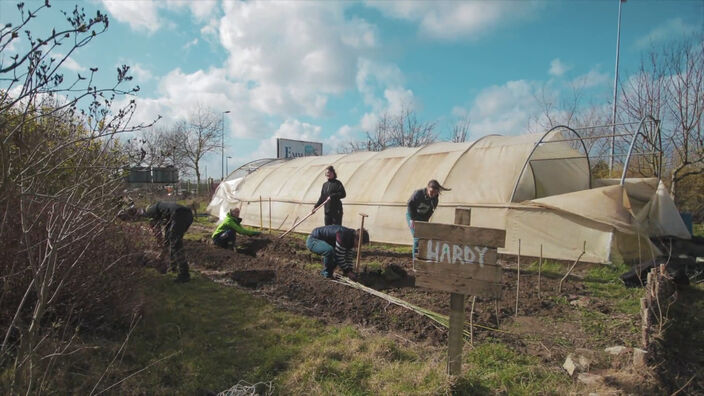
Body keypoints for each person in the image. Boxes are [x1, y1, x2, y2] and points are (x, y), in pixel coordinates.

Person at [144, 201, 194, 283]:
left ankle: (184, 274)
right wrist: (164, 248)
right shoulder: (163, 209)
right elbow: (167, 234)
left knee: (175, 244)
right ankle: (173, 266)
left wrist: (161, 247)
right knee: (172, 240)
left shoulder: (150, 211)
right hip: (188, 215)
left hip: (179, 215)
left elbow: (157, 232)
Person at [406, 179, 451, 259]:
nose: (433, 194)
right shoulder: (418, 194)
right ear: (427, 188)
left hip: (422, 217)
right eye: (431, 192)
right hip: (412, 216)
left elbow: (430, 212)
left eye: (435, 192)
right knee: (417, 237)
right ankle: (415, 261)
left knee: (425, 237)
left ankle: (423, 256)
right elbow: (410, 204)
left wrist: (425, 223)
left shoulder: (435, 199)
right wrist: (412, 219)